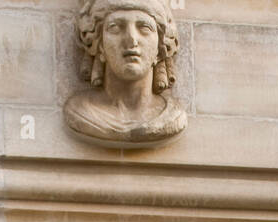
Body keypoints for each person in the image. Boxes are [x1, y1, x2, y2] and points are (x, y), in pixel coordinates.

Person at [64, 1, 187, 147]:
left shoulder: (171, 116)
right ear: (99, 44)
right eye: (115, 27)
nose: (131, 40)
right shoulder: (80, 112)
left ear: (160, 47)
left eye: (144, 28)